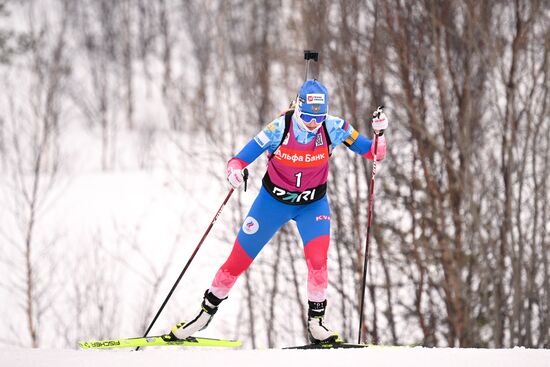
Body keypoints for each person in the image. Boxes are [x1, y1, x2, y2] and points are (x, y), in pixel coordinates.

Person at [164, 79, 388, 344]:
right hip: (272, 204)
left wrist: (380, 135)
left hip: (312, 205)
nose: (314, 123)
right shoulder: (278, 128)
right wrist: (234, 172)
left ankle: (316, 323)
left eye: (319, 117)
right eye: (307, 117)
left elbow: (373, 154)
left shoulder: (335, 127)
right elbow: (238, 159)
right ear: (298, 108)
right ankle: (204, 315)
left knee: (318, 260)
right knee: (238, 260)